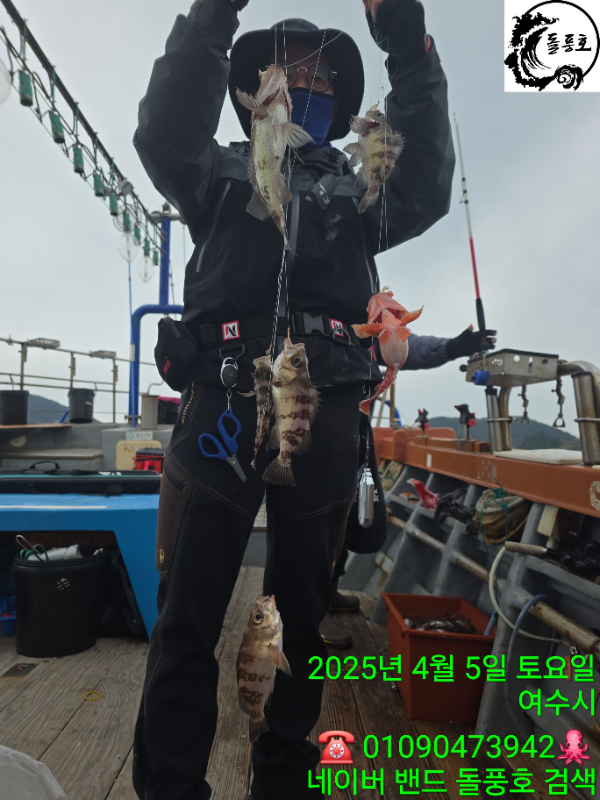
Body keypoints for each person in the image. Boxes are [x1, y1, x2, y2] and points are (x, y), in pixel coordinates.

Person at [132, 0, 458, 798]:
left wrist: (407, 43)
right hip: (221, 400)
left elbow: (427, 184)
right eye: (287, 66)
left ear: (339, 101)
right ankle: (170, 785)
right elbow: (162, 134)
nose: (303, 82)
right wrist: (213, 13)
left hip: (327, 412)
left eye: (320, 75)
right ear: (255, 88)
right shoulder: (214, 171)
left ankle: (282, 776)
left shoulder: (362, 189)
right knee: (187, 616)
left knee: (302, 622)